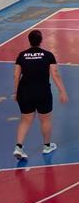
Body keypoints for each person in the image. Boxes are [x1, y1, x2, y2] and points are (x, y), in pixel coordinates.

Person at [12, 30, 68, 159]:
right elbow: (55, 74)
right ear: (41, 40)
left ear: (29, 41)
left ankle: (18, 147)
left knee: (25, 120)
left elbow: (16, 75)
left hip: (24, 92)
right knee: (45, 119)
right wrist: (62, 91)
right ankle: (47, 146)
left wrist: (16, 92)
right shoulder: (48, 55)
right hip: (42, 91)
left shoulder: (22, 55)